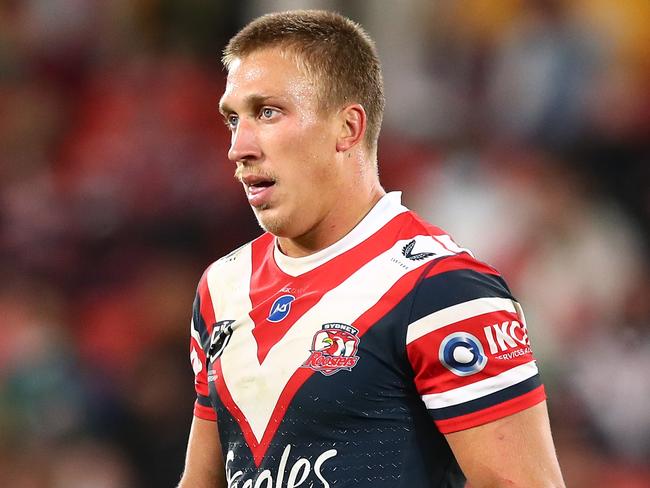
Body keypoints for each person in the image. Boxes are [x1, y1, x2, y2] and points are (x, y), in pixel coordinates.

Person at [178, 9, 565, 488]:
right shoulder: (221, 288)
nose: (239, 146)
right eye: (233, 119)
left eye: (268, 112)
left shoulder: (443, 290)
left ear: (348, 128)